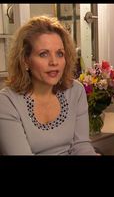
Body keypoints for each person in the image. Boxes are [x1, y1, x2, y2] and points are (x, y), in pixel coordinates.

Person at [0, 16, 97, 155]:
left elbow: (81, 147)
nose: (54, 62)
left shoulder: (75, 91)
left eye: (59, 53)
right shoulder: (7, 101)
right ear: (25, 60)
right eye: (43, 54)